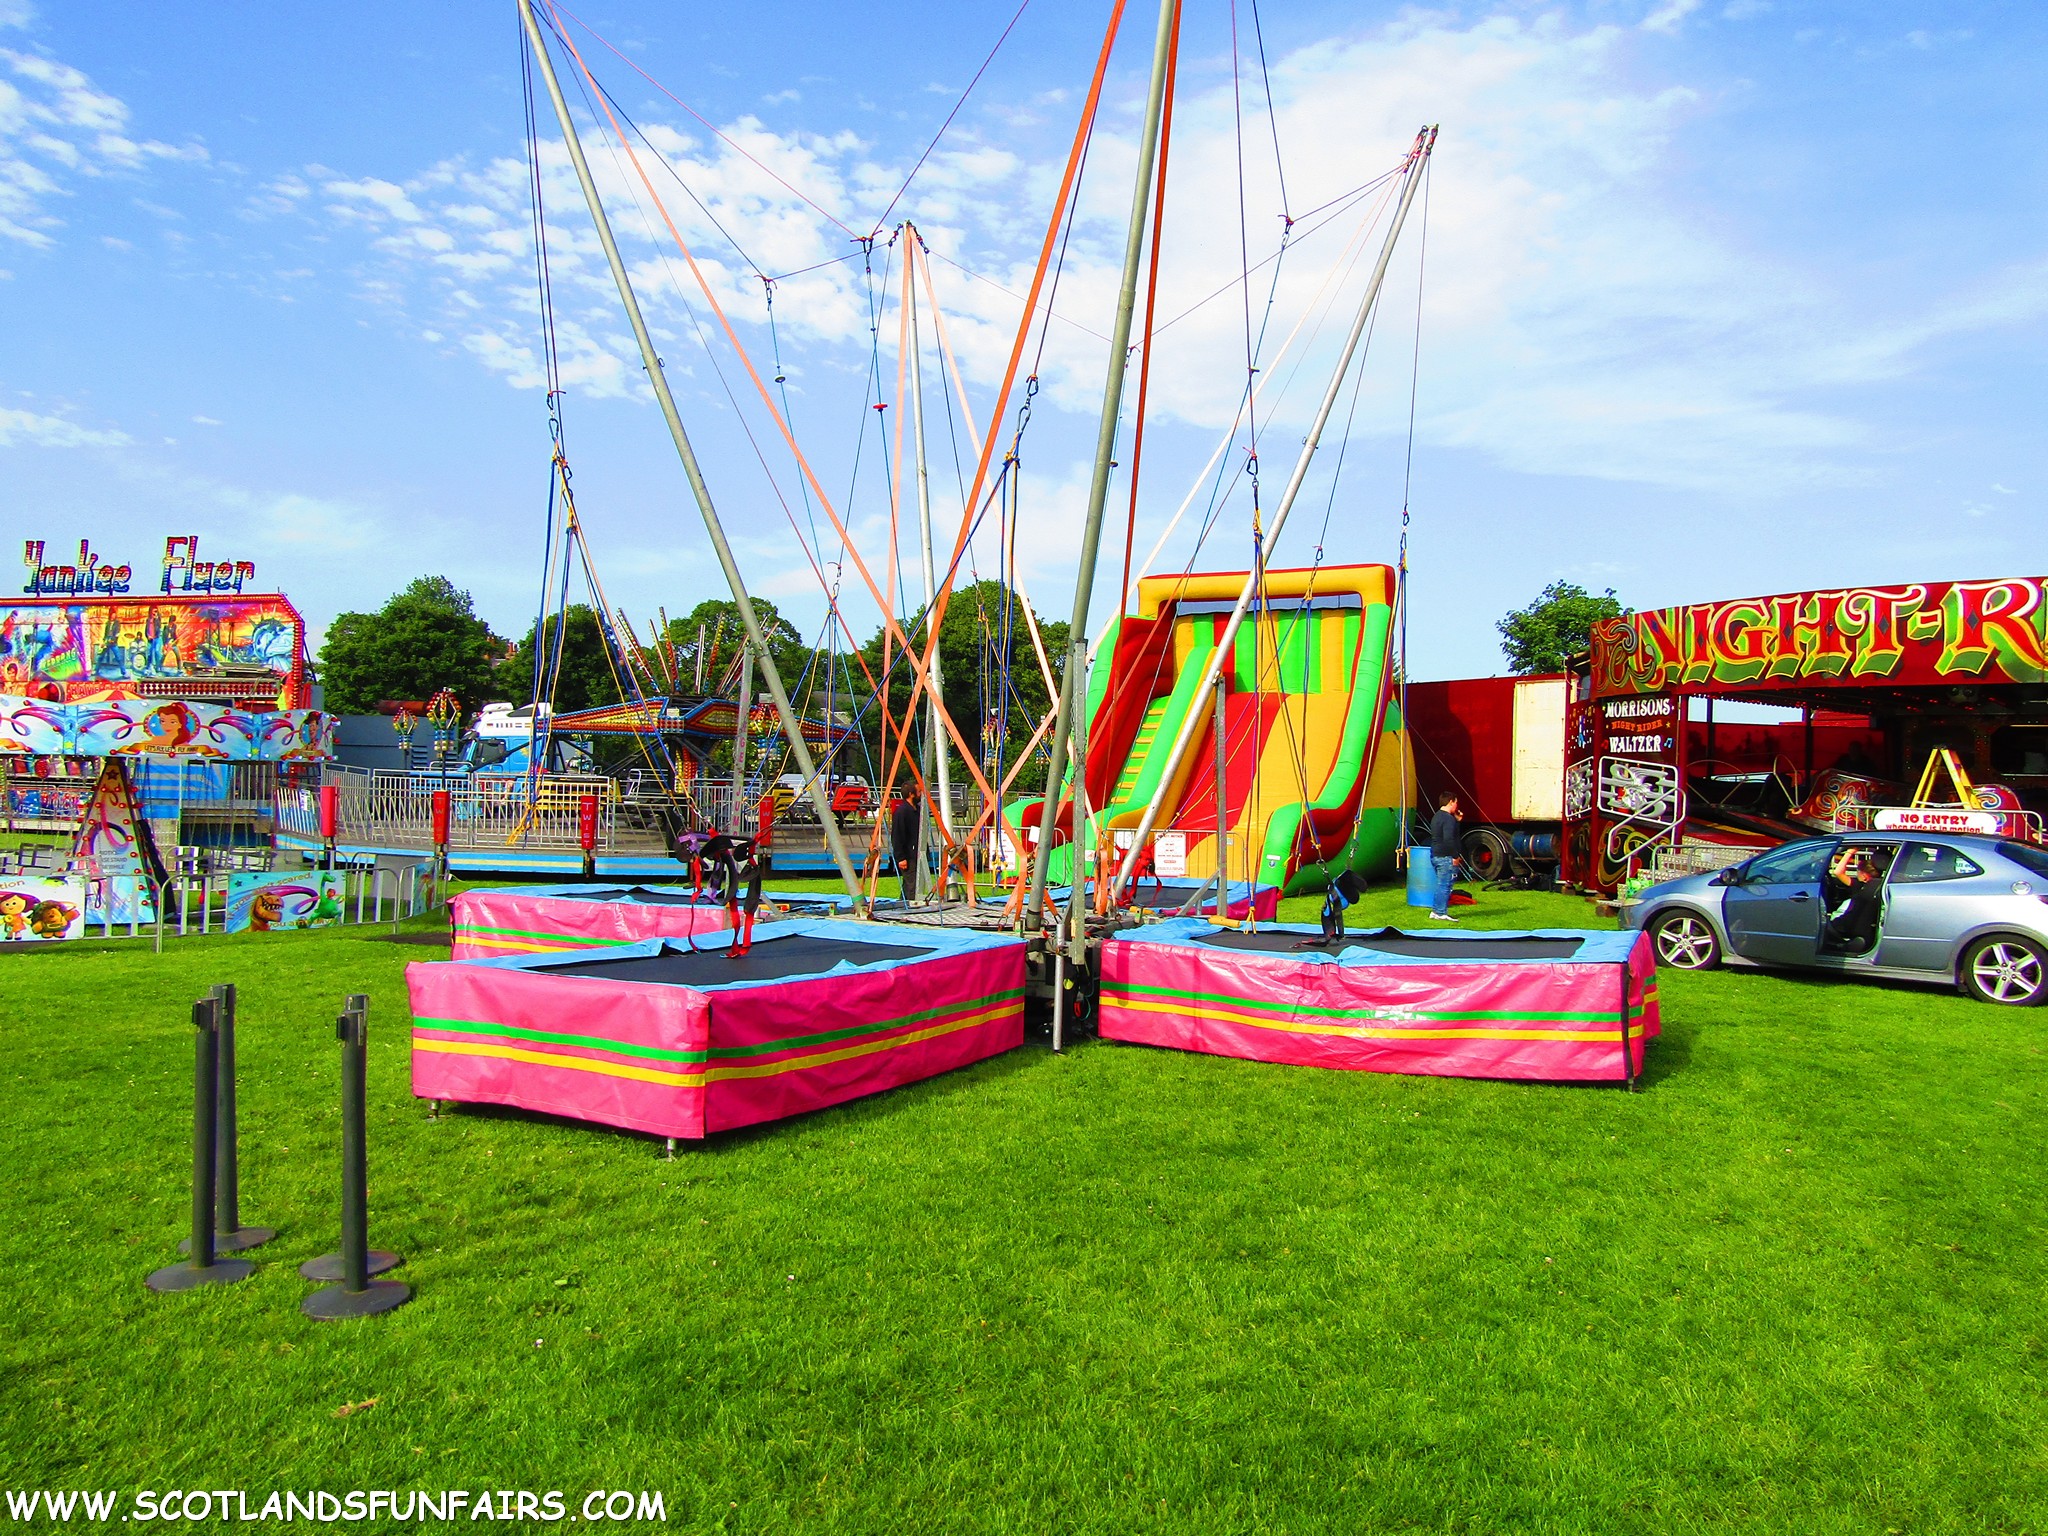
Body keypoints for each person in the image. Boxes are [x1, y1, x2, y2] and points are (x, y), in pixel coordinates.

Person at [1428, 794, 1463, 922]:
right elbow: (1449, 839)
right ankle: (1440, 912)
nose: (1456, 806)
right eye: (1456, 802)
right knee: (1445, 885)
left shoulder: (1436, 816)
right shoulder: (1448, 819)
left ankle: (1436, 910)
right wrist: (1455, 856)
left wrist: (1457, 822)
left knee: (1441, 884)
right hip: (1445, 856)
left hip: (1435, 854)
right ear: (1451, 802)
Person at [889, 793, 922, 903]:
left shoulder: (917, 810)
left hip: (916, 852)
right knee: (912, 885)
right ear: (911, 794)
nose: (921, 794)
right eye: (919, 792)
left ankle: (902, 904)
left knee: (910, 883)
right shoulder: (902, 812)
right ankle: (911, 906)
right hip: (908, 854)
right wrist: (900, 857)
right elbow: (897, 836)